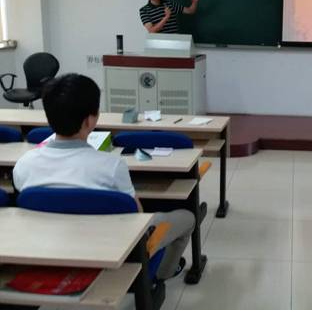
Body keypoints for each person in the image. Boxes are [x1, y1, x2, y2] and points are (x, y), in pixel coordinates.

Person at [13, 73, 195, 281]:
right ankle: (161, 274)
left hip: (49, 246)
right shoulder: (111, 166)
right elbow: (137, 218)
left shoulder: (24, 164)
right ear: (90, 120)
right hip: (110, 249)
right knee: (187, 217)